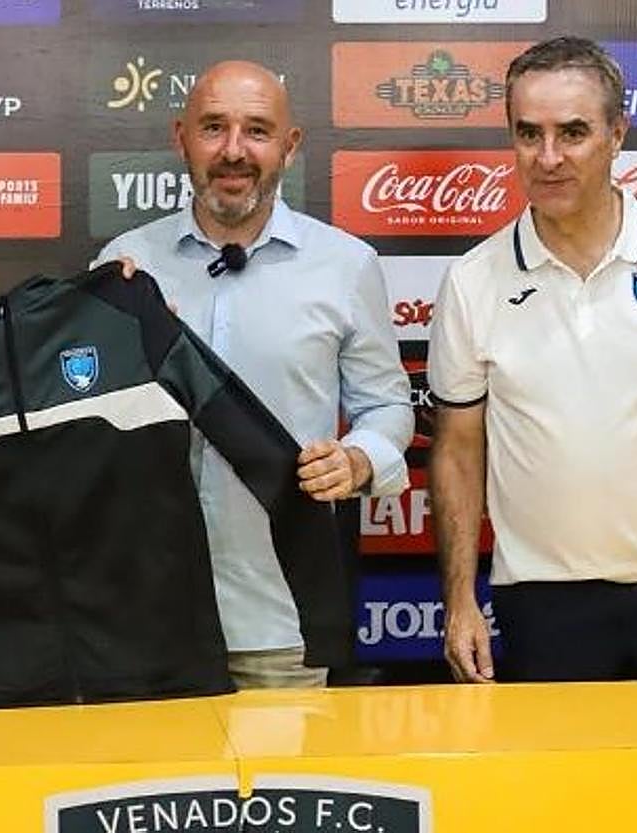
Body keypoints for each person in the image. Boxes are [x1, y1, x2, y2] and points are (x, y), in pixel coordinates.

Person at [430, 36, 637, 683]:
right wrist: (459, 600)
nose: (548, 158)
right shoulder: (472, 280)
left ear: (617, 133)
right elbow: (458, 450)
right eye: (529, 134)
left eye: (573, 132)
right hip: (544, 600)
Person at [96, 60, 413, 688]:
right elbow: (82, 427)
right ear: (181, 137)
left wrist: (357, 460)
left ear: (289, 147)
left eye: (258, 131)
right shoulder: (123, 264)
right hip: (146, 619)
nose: (234, 151)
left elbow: (387, 406)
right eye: (214, 127)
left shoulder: (346, 264)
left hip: (283, 623)